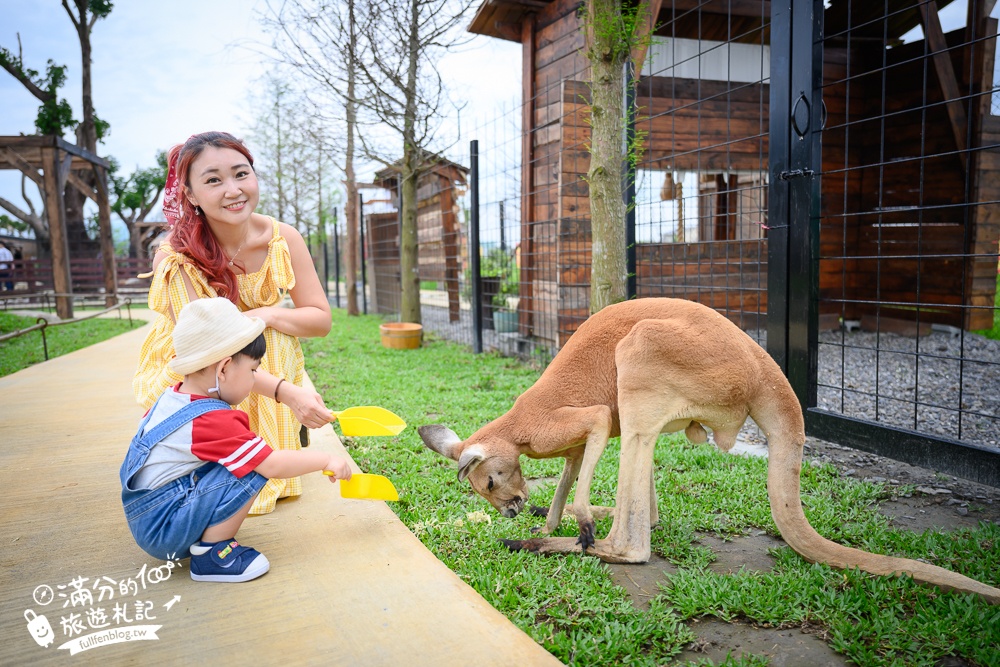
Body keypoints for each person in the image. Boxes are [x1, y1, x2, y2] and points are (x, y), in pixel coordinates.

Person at [133, 131, 333, 515]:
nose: (233, 189)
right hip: (195, 366)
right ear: (189, 195)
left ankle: (269, 456)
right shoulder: (176, 258)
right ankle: (224, 462)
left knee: (265, 335)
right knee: (242, 343)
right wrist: (289, 393)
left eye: (241, 174)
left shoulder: (282, 238)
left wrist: (268, 313)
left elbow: (320, 320)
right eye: (213, 180)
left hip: (254, 360)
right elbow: (205, 356)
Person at [122, 298, 352, 582]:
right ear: (224, 368)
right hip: (164, 527)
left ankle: (206, 536)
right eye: (253, 370)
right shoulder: (213, 420)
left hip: (148, 514)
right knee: (254, 466)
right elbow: (273, 465)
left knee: (245, 458)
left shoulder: (174, 396)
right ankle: (210, 555)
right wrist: (327, 459)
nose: (255, 379)